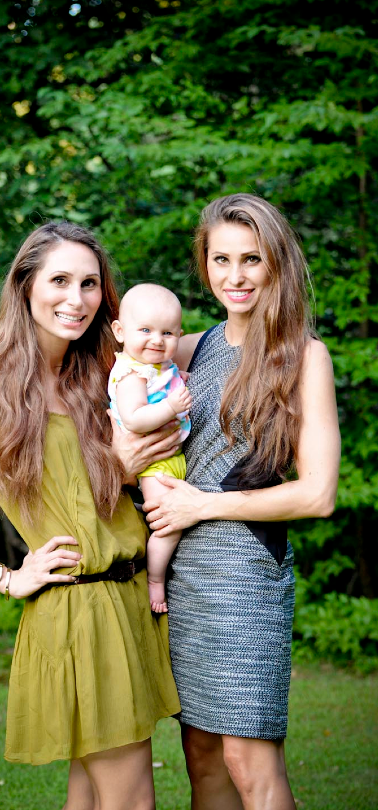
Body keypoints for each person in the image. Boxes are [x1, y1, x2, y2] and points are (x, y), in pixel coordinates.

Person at [0, 221, 182, 810]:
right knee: (130, 801)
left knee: (90, 796)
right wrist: (5, 577)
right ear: (24, 287)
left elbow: (183, 338)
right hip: (78, 615)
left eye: (90, 284)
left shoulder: (96, 376)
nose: (75, 300)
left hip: (126, 603)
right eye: (58, 281)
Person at [142, 194, 340, 810]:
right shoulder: (185, 348)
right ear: (204, 266)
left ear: (275, 263)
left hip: (248, 576)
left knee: (248, 761)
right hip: (179, 580)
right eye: (220, 259)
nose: (235, 276)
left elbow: (318, 493)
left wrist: (202, 506)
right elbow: (103, 377)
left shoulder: (302, 356)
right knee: (201, 760)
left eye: (251, 259)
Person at [108, 283, 192, 613]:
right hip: (153, 465)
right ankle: (156, 579)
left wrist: (177, 379)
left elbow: (165, 382)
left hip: (171, 459)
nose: (157, 340)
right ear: (120, 331)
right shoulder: (131, 374)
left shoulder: (158, 366)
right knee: (169, 525)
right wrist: (171, 406)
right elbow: (135, 418)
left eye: (167, 332)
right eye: (145, 330)